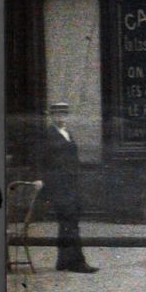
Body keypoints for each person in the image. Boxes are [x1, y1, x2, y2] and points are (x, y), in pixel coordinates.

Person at [38, 101, 96, 273]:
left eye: (63, 114)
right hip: (59, 185)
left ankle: (63, 262)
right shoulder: (48, 134)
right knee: (70, 222)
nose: (60, 117)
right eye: (57, 114)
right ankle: (77, 262)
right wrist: (42, 180)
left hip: (71, 184)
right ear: (51, 115)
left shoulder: (67, 132)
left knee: (68, 222)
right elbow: (41, 159)